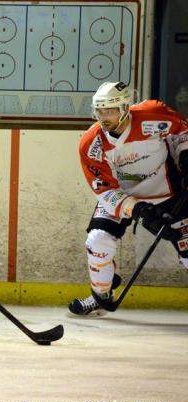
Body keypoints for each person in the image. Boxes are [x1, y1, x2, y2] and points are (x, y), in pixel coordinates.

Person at [69, 81, 188, 316]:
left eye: (110, 111)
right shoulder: (91, 144)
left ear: (125, 108)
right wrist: (139, 212)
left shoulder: (152, 115)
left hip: (165, 192)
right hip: (125, 196)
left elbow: (182, 131)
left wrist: (186, 156)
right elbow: (104, 190)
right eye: (100, 111)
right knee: (98, 240)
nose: (104, 118)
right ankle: (100, 296)